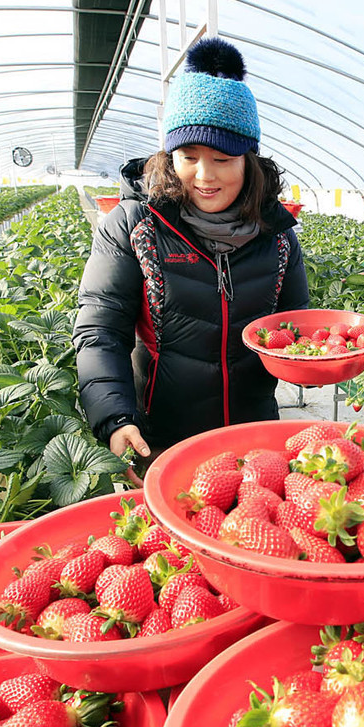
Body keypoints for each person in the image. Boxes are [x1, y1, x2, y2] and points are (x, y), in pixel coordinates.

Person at [74, 37, 308, 480]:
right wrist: (114, 415)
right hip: (160, 438)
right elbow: (100, 328)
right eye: (189, 156)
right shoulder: (133, 226)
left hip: (254, 440)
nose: (204, 175)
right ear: (169, 155)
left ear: (248, 161)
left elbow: (296, 331)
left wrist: (317, 362)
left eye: (222, 158)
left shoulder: (277, 238)